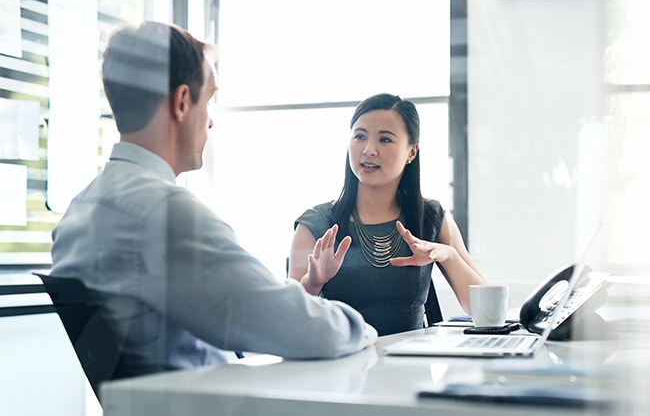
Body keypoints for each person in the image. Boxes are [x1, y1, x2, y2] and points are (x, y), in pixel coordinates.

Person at [49, 21, 377, 377]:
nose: (210, 122)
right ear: (182, 101)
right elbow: (299, 327)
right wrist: (365, 329)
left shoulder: (77, 212)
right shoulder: (162, 211)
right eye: (208, 100)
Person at [289, 93, 486, 336]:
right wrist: (313, 283)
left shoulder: (432, 217)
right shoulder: (315, 225)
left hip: (411, 368)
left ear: (411, 152)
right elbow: (289, 324)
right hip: (341, 366)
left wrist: (449, 256)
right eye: (360, 136)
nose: (369, 150)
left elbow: (485, 311)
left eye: (385, 140)